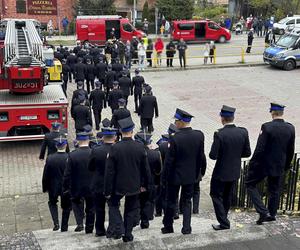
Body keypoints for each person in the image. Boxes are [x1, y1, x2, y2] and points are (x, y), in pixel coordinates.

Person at [246, 103, 295, 225]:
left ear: (272, 112)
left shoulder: (267, 127)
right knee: (274, 190)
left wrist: (253, 162)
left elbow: (260, 149)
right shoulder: (290, 128)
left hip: (264, 165)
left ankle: (263, 211)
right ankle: (272, 214)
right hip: (279, 164)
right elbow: (291, 150)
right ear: (282, 113)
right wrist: (287, 165)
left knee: (250, 184)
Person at [104, 116, 151, 242]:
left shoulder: (115, 148)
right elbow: (145, 169)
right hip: (134, 184)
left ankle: (119, 225)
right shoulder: (140, 147)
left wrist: (107, 190)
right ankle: (128, 234)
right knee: (130, 209)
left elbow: (109, 172)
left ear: (120, 131)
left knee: (113, 205)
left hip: (118, 185)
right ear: (132, 131)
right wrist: (146, 185)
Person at [161, 109, 206, 235]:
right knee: (187, 201)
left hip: (175, 176)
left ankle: (168, 226)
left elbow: (169, 162)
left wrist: (164, 178)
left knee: (171, 201)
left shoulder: (175, 138)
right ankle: (186, 228)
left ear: (181, 122)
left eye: (176, 121)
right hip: (191, 175)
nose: (175, 123)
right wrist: (199, 172)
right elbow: (200, 156)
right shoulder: (199, 135)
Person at [209, 105, 251, 230]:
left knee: (215, 195)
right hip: (234, 171)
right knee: (227, 196)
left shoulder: (219, 134)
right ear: (233, 117)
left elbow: (212, 156)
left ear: (222, 119)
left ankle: (224, 222)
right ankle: (224, 219)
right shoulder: (243, 132)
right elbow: (247, 153)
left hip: (221, 172)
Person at [88, 125, 117, 237]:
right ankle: (112, 229)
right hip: (113, 184)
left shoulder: (96, 150)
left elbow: (90, 167)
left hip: (98, 184)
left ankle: (100, 230)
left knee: (99, 209)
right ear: (114, 137)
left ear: (103, 138)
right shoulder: (117, 149)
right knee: (113, 208)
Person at [63, 132, 95, 233]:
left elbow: (67, 174)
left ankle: (80, 222)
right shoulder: (94, 152)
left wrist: (65, 187)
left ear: (77, 141)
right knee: (90, 207)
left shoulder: (72, 155)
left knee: (76, 204)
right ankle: (89, 228)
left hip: (77, 186)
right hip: (91, 186)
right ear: (88, 140)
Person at [42, 136, 71, 232]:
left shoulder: (50, 158)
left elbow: (46, 174)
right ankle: (64, 226)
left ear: (55, 146)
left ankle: (56, 223)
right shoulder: (69, 157)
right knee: (66, 206)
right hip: (66, 186)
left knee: (52, 203)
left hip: (53, 186)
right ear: (65, 145)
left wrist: (45, 187)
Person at [135, 132, 162, 229]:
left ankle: (136, 219)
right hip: (151, 182)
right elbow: (159, 170)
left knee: (137, 202)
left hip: (137, 182)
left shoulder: (136, 154)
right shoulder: (155, 154)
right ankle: (146, 221)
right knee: (148, 202)